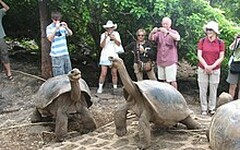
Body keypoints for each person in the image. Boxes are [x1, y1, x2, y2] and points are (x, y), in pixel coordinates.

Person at [197, 21, 225, 115]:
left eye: (210, 30)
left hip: (215, 69)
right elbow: (199, 55)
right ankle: (204, 108)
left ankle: (212, 108)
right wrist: (206, 66)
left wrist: (212, 67)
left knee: (213, 89)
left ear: (215, 31)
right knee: (203, 89)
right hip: (202, 68)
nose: (208, 31)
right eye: (207, 29)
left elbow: (221, 57)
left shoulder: (220, 43)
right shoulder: (202, 41)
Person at [149, 17, 180, 89]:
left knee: (172, 80)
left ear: (170, 24)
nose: (165, 25)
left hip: (170, 60)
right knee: (163, 80)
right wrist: (152, 32)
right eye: (164, 24)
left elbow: (178, 38)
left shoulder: (174, 32)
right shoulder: (159, 33)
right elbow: (151, 39)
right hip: (160, 60)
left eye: (166, 24)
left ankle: (175, 96)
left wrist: (167, 32)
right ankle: (166, 97)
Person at [97, 20, 122, 94]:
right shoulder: (103, 35)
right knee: (103, 73)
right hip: (105, 55)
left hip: (113, 55)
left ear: (113, 28)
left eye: (111, 28)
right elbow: (102, 45)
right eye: (108, 28)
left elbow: (119, 44)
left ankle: (115, 88)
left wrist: (114, 38)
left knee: (114, 73)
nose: (109, 29)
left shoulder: (116, 34)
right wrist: (105, 37)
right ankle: (100, 87)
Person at [46, 11, 73, 76]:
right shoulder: (49, 27)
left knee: (69, 72)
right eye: (55, 20)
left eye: (58, 19)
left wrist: (66, 27)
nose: (57, 21)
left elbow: (70, 34)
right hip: (56, 55)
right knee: (59, 74)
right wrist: (56, 29)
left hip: (65, 53)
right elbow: (50, 39)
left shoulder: (62, 27)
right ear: (52, 19)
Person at [0, 0, 12, 81]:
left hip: (0, 37)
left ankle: (9, 73)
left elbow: (7, 8)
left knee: (4, 54)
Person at [226, 35, 240, 99]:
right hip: (235, 64)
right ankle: (230, 104)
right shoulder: (238, 39)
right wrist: (236, 41)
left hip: (235, 63)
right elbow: (231, 48)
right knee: (232, 85)